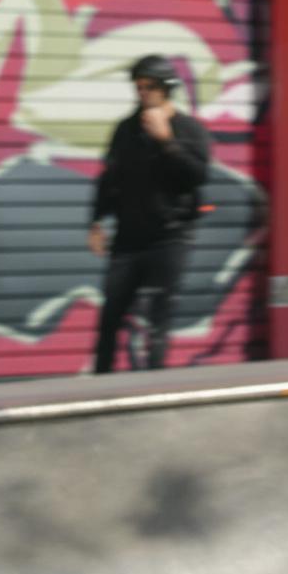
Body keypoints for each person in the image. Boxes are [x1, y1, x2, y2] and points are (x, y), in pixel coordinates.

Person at [89, 55, 212, 373]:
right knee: (110, 315)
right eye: (139, 86)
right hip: (128, 238)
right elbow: (110, 176)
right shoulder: (126, 129)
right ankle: (99, 384)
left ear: (167, 88)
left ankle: (153, 384)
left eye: (150, 86)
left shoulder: (188, 129)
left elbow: (197, 175)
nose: (143, 92)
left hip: (171, 236)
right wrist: (96, 219)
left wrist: (166, 141)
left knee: (159, 317)